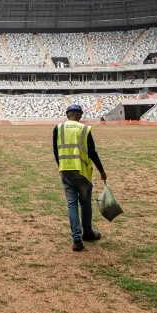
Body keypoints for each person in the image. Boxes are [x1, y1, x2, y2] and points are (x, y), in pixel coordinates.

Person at [53, 104, 107, 252]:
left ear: (67, 114)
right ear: (80, 115)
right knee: (85, 204)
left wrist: (62, 167)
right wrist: (101, 170)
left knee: (72, 205)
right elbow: (92, 152)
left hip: (65, 170)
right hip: (82, 172)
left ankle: (76, 240)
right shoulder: (84, 129)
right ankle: (87, 233)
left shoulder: (58, 128)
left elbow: (55, 151)